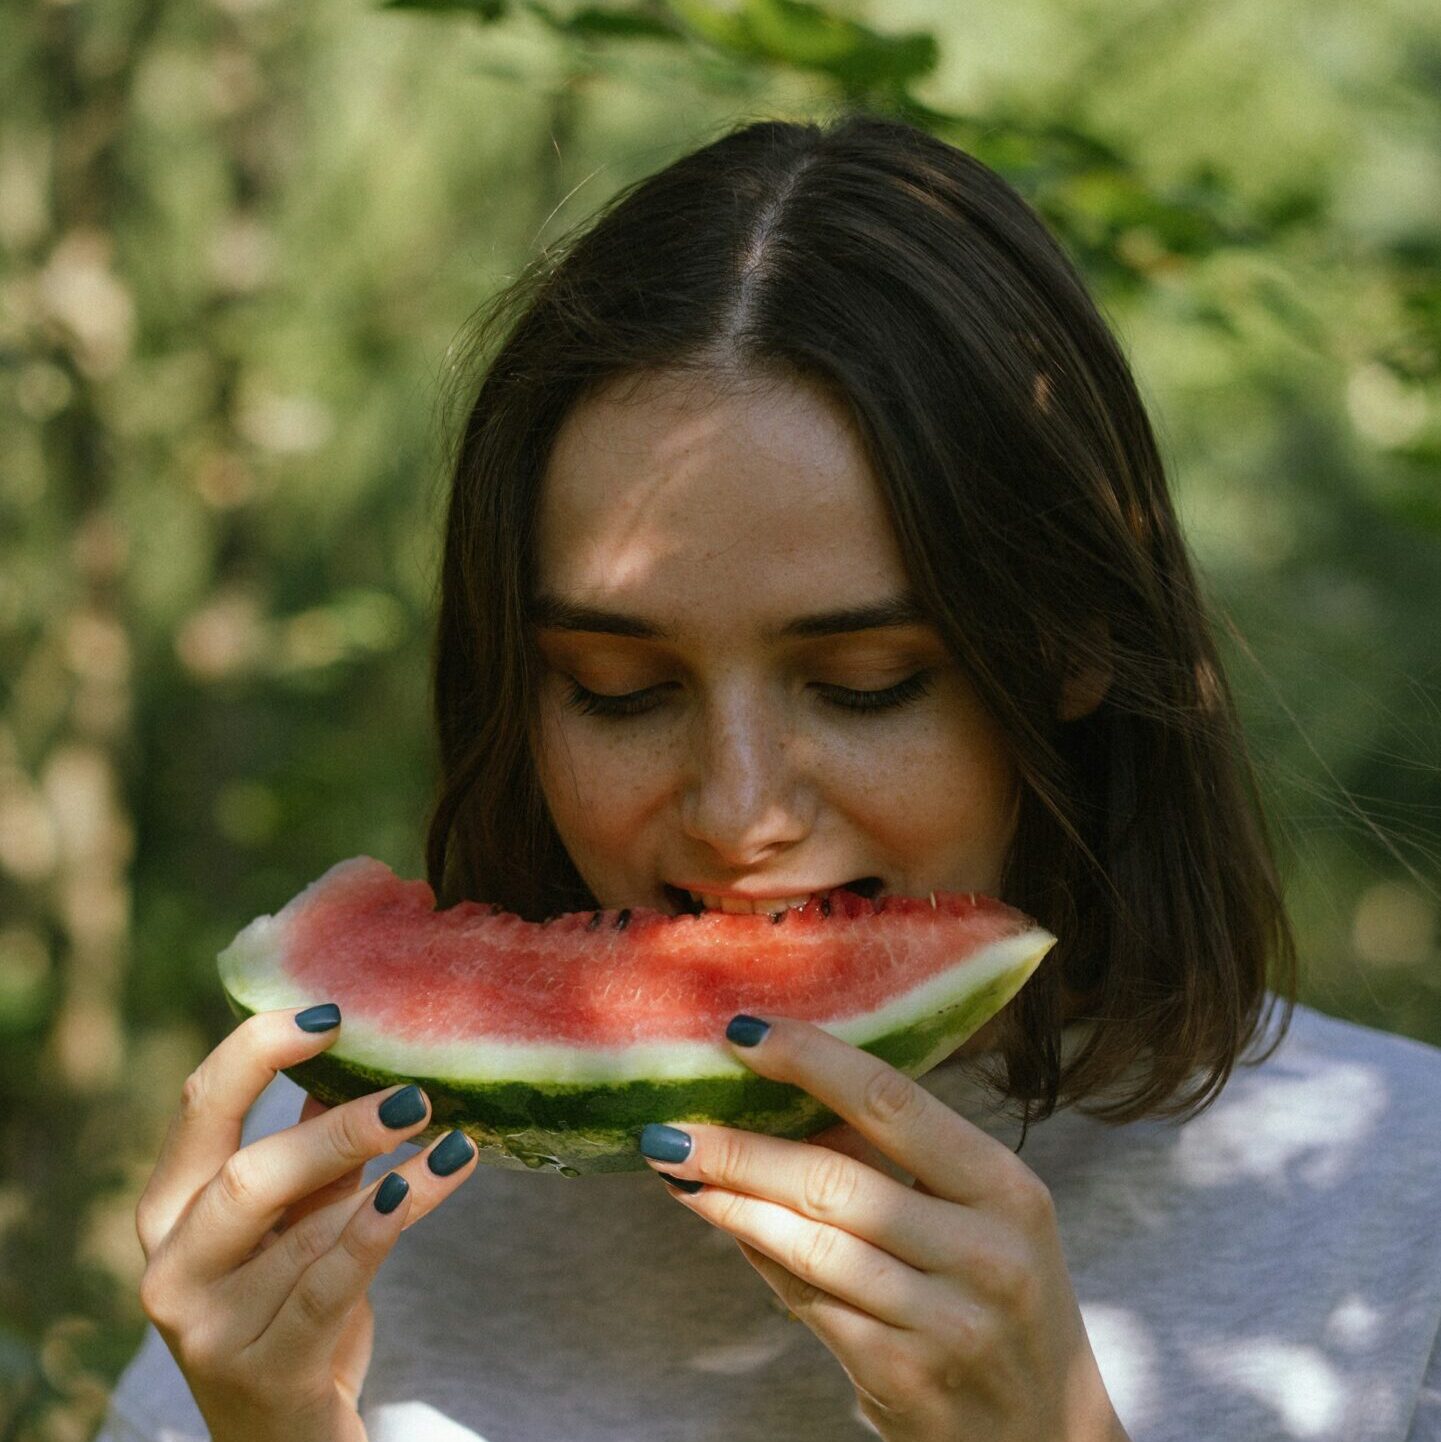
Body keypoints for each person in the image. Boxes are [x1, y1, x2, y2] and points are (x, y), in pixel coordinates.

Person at [97, 113, 1441, 1442]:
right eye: (619, 691)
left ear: (1070, 643)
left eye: (865, 682)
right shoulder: (334, 1183)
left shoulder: (1398, 1205)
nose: (740, 811)